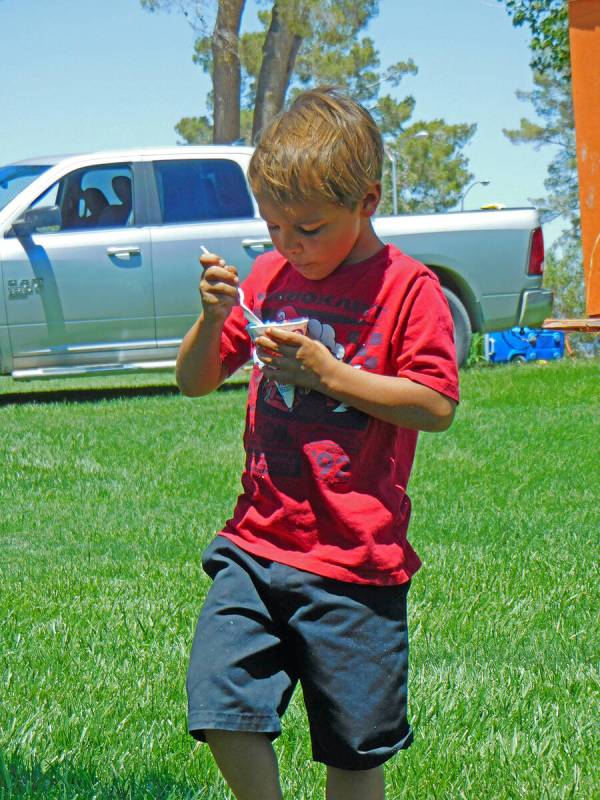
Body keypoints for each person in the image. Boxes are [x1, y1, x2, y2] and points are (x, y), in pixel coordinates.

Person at [176, 86, 460, 800]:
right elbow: (195, 379)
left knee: (354, 749)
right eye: (272, 226)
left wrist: (333, 375)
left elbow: (435, 404)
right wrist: (212, 319)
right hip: (258, 543)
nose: (286, 245)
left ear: (366, 200)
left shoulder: (407, 290)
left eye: (306, 227)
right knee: (220, 701)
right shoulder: (270, 278)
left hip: (355, 562)